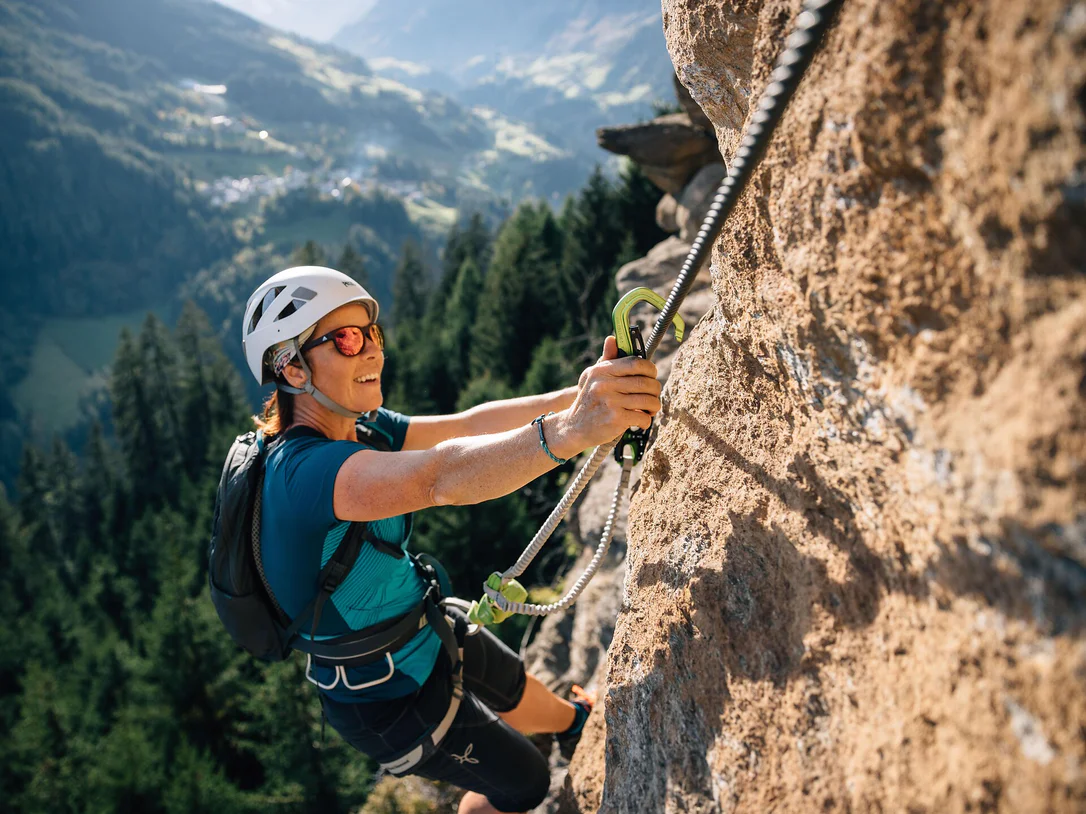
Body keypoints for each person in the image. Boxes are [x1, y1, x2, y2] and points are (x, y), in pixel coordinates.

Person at [241, 265, 661, 814]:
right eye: (345, 339)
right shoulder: (306, 476)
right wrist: (574, 429)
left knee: (514, 684)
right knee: (526, 783)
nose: (371, 352)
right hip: (386, 701)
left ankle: (572, 723)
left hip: (421, 628)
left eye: (372, 333)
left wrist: (585, 394)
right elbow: (438, 478)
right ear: (292, 369)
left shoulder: (356, 427)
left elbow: (465, 427)